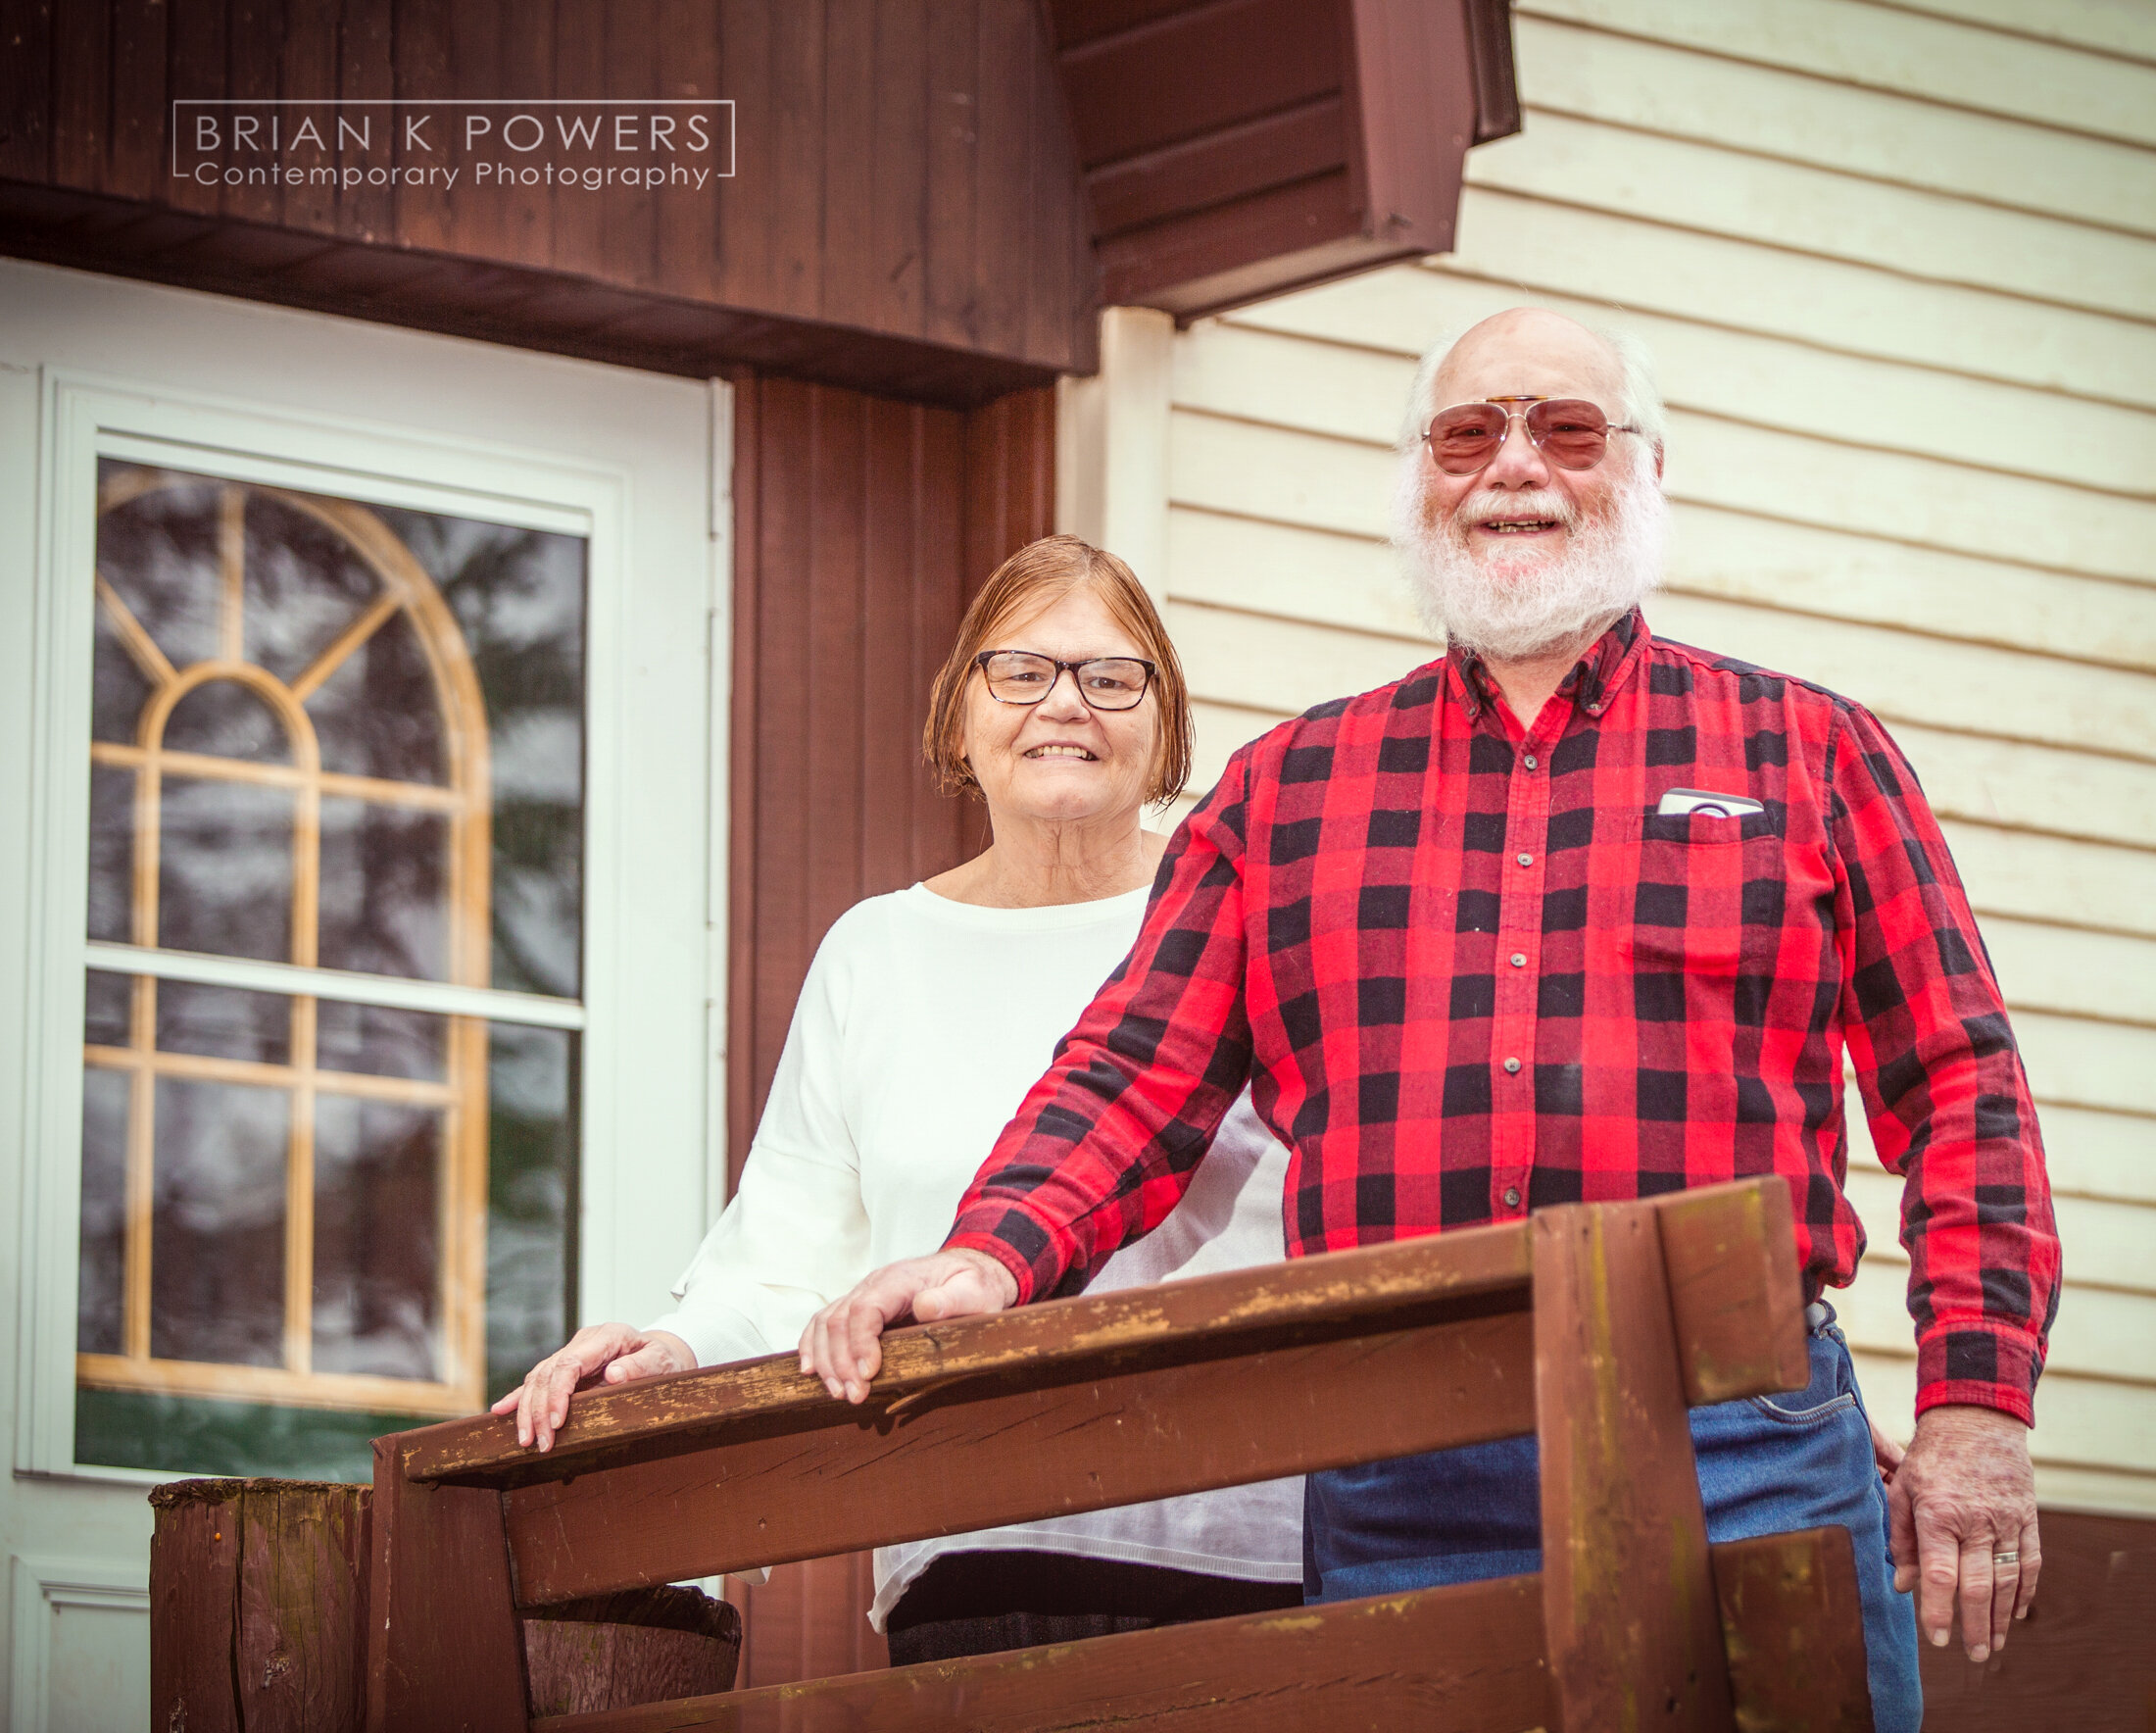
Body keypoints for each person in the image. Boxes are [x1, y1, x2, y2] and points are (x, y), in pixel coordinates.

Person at [800, 309, 2063, 1731]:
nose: (1512, 467)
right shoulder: (1290, 789)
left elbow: (1962, 1088)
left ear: (1646, 471)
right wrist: (990, 1255)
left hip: (1747, 1445)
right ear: (1418, 479)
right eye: (1468, 434)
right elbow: (1130, 1075)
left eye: (1565, 430)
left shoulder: (1808, 750)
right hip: (1402, 1461)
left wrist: (1975, 1404)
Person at [496, 535, 1302, 1662]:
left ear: (1164, 722)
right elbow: (789, 1261)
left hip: (1237, 1541)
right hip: (969, 1541)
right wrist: (668, 1351)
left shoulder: (1246, 916)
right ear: (959, 713)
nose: (1065, 704)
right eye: (1020, 671)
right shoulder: (877, 952)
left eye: (1113, 677)